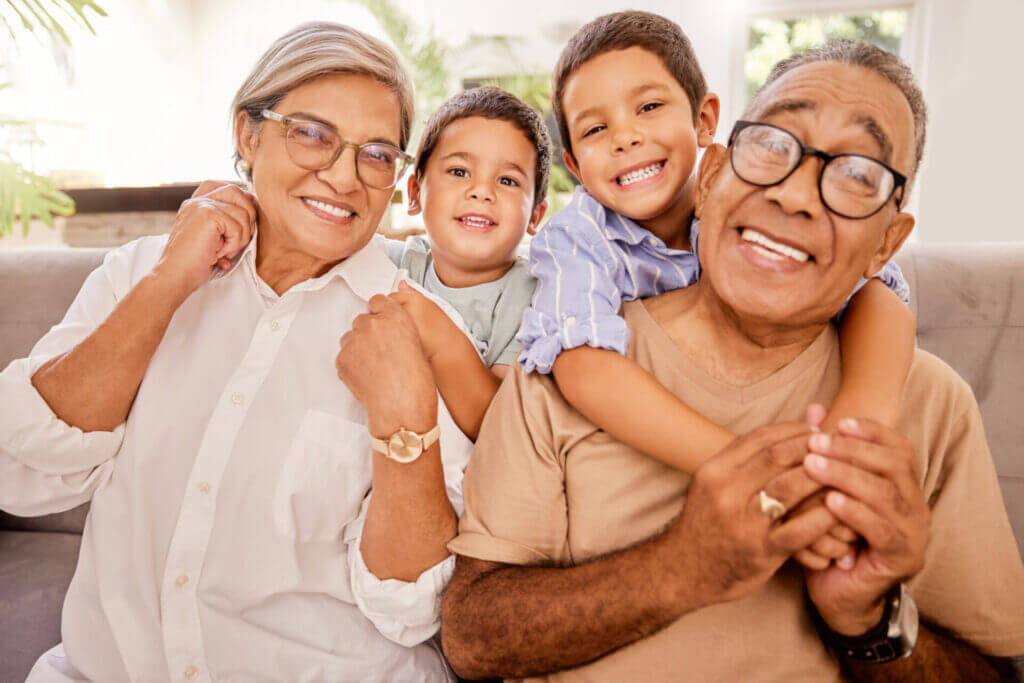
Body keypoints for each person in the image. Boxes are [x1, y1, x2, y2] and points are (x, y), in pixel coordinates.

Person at [441, 40, 1024, 681]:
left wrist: (869, 619)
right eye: (774, 145)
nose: (797, 196)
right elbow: (471, 639)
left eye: (858, 174)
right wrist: (680, 569)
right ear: (715, 173)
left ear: (887, 240)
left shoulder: (931, 400)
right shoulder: (561, 358)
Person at [0, 22, 470, 682]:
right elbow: (20, 471)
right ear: (248, 135)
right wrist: (167, 284)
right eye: (312, 133)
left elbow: (411, 611)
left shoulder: (424, 332)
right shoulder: (140, 273)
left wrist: (407, 424)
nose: (343, 176)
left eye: (377, 154)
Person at [516, 13, 916, 559]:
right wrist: (758, 474)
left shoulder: (747, 205)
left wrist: (853, 430)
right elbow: (582, 364)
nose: (626, 137)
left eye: (649, 108)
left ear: (705, 121)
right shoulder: (578, 239)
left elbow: (878, 288)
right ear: (574, 167)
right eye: (594, 130)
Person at [384, 87, 550, 440]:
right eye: (459, 172)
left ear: (535, 216)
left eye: (507, 180)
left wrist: (439, 335)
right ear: (415, 194)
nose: (481, 191)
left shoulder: (535, 297)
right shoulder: (395, 264)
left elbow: (496, 424)